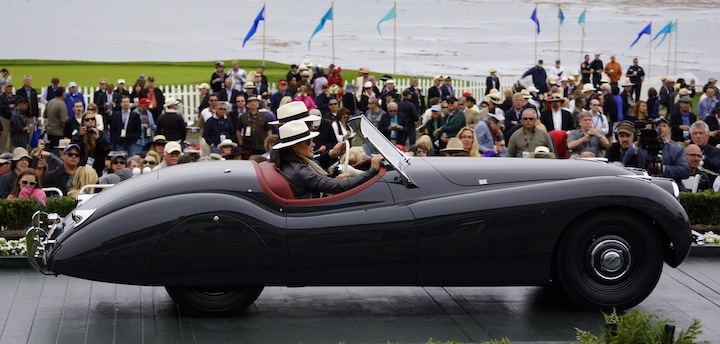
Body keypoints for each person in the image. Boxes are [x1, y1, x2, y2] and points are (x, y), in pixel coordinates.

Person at [274, 120, 382, 199]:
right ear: (294, 147)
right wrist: (372, 171)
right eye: (308, 142)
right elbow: (340, 187)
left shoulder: (291, 163)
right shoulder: (300, 170)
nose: (313, 144)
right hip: (316, 210)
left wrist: (335, 178)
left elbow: (320, 179)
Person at [623, 123, 690, 185]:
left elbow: (685, 171)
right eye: (646, 131)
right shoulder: (637, 149)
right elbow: (626, 163)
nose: (649, 134)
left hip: (667, 187)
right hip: (643, 186)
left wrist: (662, 168)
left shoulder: (675, 150)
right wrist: (638, 144)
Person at [72, 111, 111, 176]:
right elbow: (75, 150)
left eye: (92, 119)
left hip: (97, 167)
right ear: (83, 122)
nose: (90, 121)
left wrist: (98, 139)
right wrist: (80, 137)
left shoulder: (101, 134)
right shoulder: (78, 135)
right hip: (82, 167)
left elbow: (107, 150)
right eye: (87, 120)